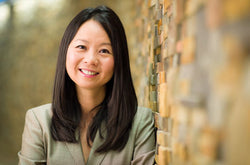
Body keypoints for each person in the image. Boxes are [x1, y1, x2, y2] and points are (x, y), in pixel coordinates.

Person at [18, 5, 155, 165]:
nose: (91, 59)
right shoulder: (39, 122)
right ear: (65, 52)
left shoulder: (140, 122)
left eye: (104, 51)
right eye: (81, 47)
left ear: (119, 60)